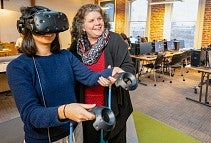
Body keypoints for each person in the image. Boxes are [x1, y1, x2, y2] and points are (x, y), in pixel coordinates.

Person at [7, 6, 124, 143]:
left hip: (74, 131)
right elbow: (30, 115)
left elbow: (89, 77)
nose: (49, 31)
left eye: (52, 26)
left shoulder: (65, 56)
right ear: (27, 28)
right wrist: (64, 111)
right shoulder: (18, 67)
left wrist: (112, 71)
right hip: (45, 138)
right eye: (43, 25)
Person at [69, 4, 135, 143]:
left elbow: (129, 68)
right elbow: (72, 75)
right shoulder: (75, 47)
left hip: (113, 104)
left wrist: (115, 78)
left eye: (99, 19)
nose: (97, 23)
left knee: (114, 139)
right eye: (91, 21)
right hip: (87, 106)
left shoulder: (115, 40)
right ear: (82, 26)